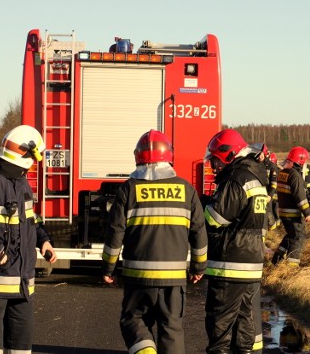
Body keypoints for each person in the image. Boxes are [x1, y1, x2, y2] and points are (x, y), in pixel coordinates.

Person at [101, 129, 207, 354]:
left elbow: (115, 232)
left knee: (134, 320)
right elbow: (198, 232)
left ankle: (145, 351)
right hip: (173, 279)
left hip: (137, 278)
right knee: (172, 328)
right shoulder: (186, 189)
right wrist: (198, 267)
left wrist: (108, 267)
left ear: (138, 157)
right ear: (169, 156)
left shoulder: (128, 189)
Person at [0, 124, 57, 353]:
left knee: (20, 346)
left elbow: (31, 221)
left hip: (22, 285)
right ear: (27, 155)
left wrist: (44, 241)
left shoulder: (21, 184)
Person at [201, 129, 270, 354]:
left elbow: (215, 218)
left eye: (216, 160)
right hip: (250, 264)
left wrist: (203, 206)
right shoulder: (256, 177)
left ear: (229, 155)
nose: (214, 165)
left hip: (229, 265)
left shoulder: (236, 179)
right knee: (243, 324)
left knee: (220, 326)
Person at [271, 146, 310, 267]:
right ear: (299, 162)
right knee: (298, 238)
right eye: (304, 162)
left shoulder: (283, 173)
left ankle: (276, 259)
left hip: (283, 212)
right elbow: (300, 196)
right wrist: (307, 213)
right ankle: (292, 267)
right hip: (293, 214)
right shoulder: (295, 175)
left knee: (290, 235)